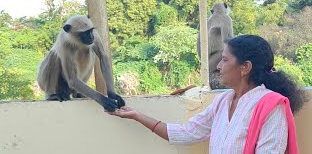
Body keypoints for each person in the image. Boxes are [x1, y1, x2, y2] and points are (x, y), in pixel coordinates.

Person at [106, 35, 306, 153]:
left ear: (245, 67)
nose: (218, 66)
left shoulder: (271, 105)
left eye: (225, 60)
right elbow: (186, 133)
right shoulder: (223, 101)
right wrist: (137, 116)